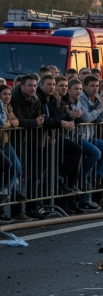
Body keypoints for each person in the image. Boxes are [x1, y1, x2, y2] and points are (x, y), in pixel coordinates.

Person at [74, 75, 103, 211]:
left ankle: (96, 177)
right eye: (92, 86)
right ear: (85, 87)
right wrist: (100, 107)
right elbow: (86, 117)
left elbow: (99, 119)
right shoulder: (82, 98)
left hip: (90, 136)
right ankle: (84, 178)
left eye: (97, 86)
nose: (95, 89)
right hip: (79, 136)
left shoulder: (97, 98)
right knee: (96, 153)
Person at [35, 74, 83, 200]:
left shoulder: (53, 100)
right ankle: (40, 203)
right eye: (49, 84)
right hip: (41, 138)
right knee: (39, 172)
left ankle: (61, 180)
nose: (52, 87)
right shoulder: (38, 99)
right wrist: (64, 119)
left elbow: (56, 118)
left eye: (53, 85)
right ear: (41, 85)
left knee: (76, 150)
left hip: (53, 136)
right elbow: (46, 120)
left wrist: (71, 116)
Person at [9, 74, 47, 220]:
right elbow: (17, 121)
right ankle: (16, 211)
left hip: (29, 141)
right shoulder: (14, 98)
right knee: (18, 176)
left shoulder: (35, 98)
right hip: (15, 142)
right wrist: (34, 122)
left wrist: (35, 122)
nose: (33, 88)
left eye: (34, 85)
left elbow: (40, 118)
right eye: (30, 85)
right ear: (21, 86)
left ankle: (31, 208)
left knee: (32, 175)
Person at [0, 84, 24, 222]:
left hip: (7, 141)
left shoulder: (8, 107)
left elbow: (16, 121)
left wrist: (10, 122)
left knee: (17, 167)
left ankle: (5, 194)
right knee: (8, 166)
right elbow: (3, 124)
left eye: (9, 94)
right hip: (2, 142)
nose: (8, 97)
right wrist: (9, 123)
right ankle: (4, 196)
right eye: (4, 94)